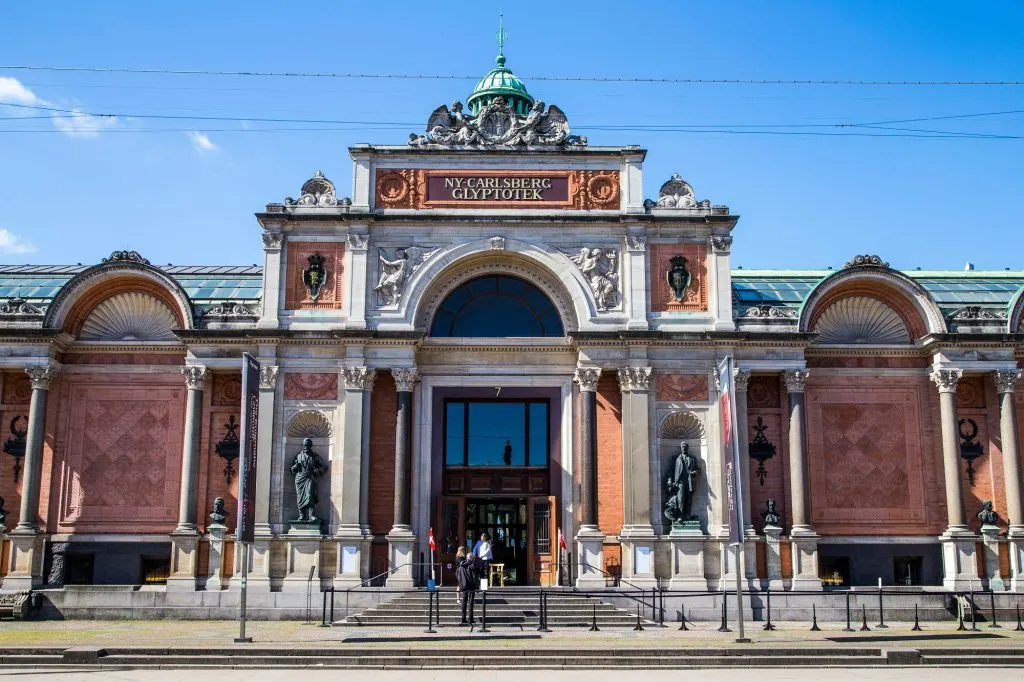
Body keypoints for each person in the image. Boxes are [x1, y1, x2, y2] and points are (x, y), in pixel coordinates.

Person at [456, 548, 480, 624]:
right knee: (471, 602)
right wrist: (477, 585)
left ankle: (463, 619)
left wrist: (461, 583)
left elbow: (457, 575)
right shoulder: (472, 565)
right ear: (472, 558)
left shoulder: (461, 565)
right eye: (473, 558)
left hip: (464, 585)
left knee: (464, 602)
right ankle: (470, 619)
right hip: (471, 586)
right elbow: (474, 577)